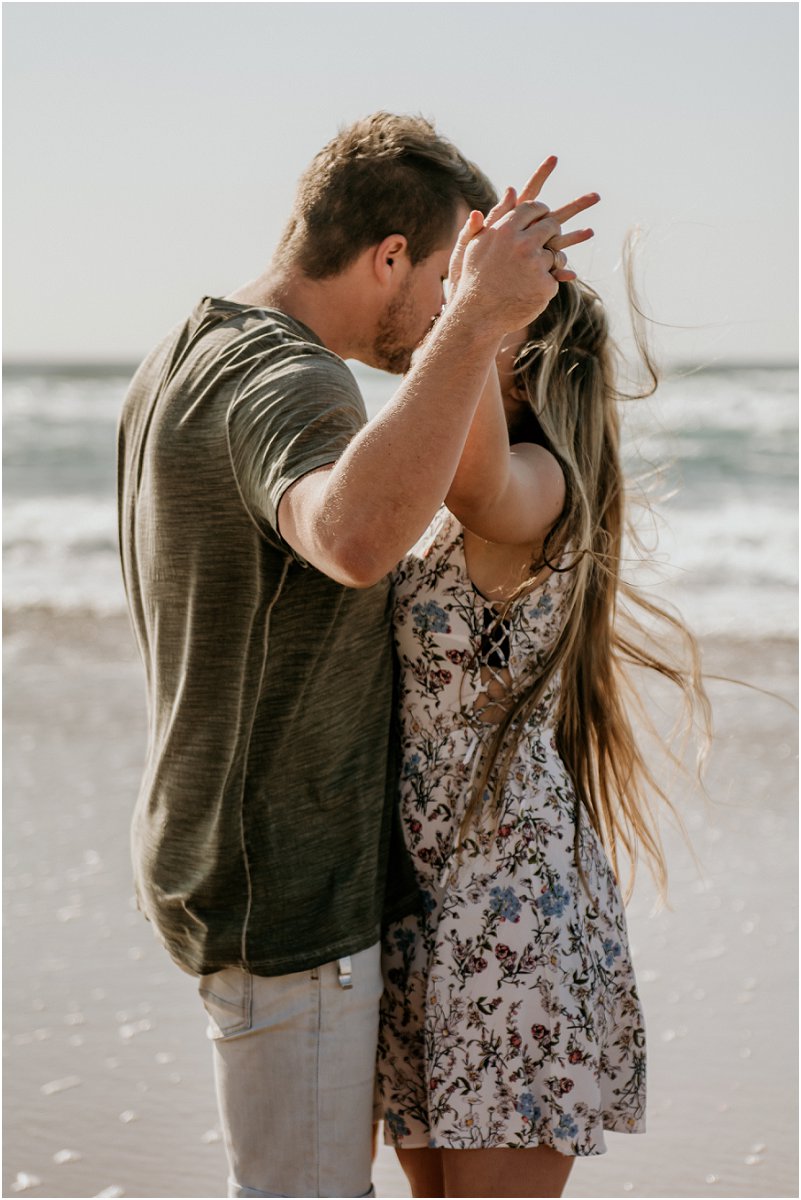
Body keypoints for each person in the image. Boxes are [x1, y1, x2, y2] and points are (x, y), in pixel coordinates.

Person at [117, 114, 598, 1199]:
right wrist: (476, 321)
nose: (439, 312)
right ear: (388, 256)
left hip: (227, 859)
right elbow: (352, 538)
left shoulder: (186, 349)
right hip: (288, 890)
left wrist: (470, 320)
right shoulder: (295, 383)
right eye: (440, 279)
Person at [376, 173, 711, 1198]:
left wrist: (479, 305)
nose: (449, 320)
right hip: (424, 905)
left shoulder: (544, 492)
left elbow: (480, 482)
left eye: (485, 322)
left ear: (525, 360)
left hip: (507, 916)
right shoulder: (449, 502)